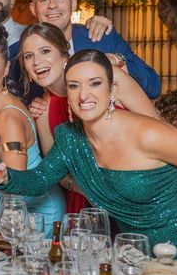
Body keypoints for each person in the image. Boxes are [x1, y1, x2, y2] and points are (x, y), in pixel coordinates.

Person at [4, 50, 177, 275]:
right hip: (142, 258)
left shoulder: (146, 133)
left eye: (95, 83)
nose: (84, 95)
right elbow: (38, 180)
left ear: (111, 90)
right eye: (74, 86)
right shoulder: (69, 139)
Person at [19, 22, 160, 213]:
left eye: (45, 51)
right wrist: (95, 193)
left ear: (64, 55)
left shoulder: (111, 79)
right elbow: (59, 174)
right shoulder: (43, 110)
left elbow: (159, 128)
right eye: (29, 56)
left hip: (142, 193)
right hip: (85, 208)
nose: (36, 62)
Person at [0, 26, 65, 235]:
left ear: (6, 69)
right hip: (2, 213)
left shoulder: (8, 117)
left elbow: (16, 189)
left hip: (33, 216)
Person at [17, 0, 160, 99]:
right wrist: (35, 104)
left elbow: (153, 88)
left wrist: (119, 61)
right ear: (33, 9)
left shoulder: (101, 37)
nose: (52, 5)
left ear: (73, 3)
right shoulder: (23, 52)